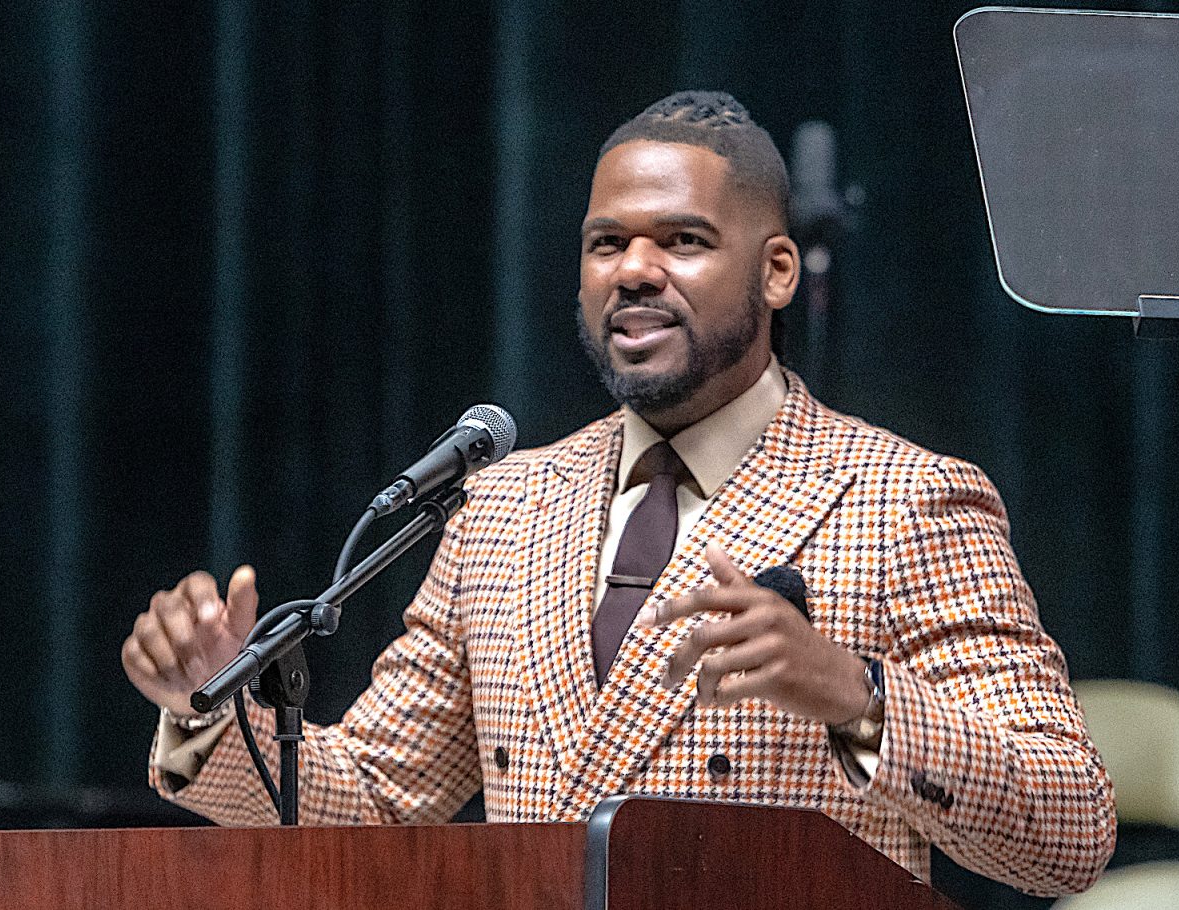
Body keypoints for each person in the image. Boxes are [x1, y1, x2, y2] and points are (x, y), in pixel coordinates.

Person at [122, 91, 1115, 896]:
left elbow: (1068, 830)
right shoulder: (504, 505)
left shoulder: (905, 499)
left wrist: (855, 698)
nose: (635, 270)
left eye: (681, 240)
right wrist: (212, 704)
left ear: (776, 271)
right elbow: (380, 797)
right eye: (607, 244)